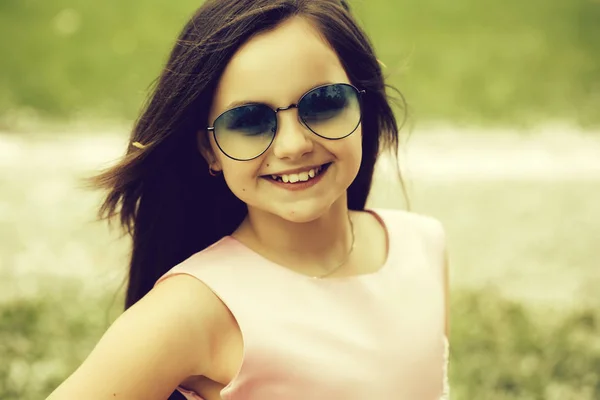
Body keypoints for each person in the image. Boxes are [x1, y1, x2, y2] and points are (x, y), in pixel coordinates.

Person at [46, 0, 450, 399]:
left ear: (363, 103)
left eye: (324, 103)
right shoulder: (194, 308)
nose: (293, 145)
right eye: (249, 121)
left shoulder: (423, 246)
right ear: (209, 150)